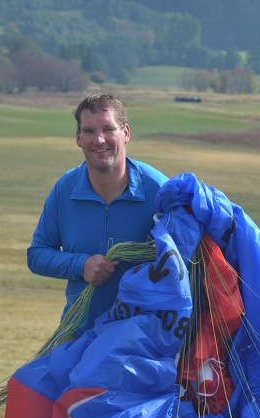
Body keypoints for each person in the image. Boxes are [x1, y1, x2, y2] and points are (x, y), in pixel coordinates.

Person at [27, 92, 168, 335]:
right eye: (89, 131)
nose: (99, 140)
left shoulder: (159, 191)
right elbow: (37, 255)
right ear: (78, 138)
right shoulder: (65, 189)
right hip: (78, 335)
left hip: (143, 341)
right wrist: (80, 265)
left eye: (107, 129)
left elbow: (187, 260)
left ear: (125, 133)